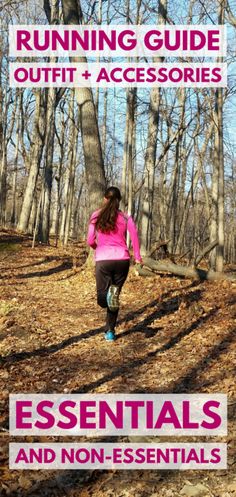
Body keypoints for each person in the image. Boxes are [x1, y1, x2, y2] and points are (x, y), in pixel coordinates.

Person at [87, 186, 142, 342]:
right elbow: (135, 238)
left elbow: (90, 240)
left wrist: (98, 248)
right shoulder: (126, 218)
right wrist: (138, 257)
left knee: (102, 298)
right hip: (122, 261)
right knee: (114, 296)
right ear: (118, 201)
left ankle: (106, 299)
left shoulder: (96, 216)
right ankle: (110, 331)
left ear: (105, 199)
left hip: (103, 261)